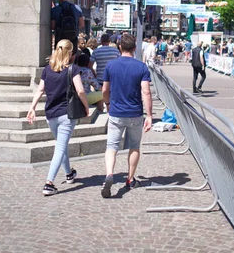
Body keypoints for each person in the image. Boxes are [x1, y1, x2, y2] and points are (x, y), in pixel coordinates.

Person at [27, 39, 89, 196]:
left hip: (51, 114)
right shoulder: (72, 70)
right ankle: (49, 183)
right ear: (70, 53)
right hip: (67, 114)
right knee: (60, 147)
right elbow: (81, 91)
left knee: (62, 145)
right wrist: (86, 107)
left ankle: (69, 173)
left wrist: (32, 107)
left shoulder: (48, 69)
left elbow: (40, 90)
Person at [101, 34, 152, 198]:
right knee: (134, 146)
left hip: (116, 112)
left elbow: (104, 90)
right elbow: (146, 92)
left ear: (119, 47)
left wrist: (107, 104)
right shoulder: (142, 67)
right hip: (135, 113)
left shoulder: (111, 66)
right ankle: (130, 179)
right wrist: (149, 115)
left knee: (111, 146)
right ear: (135, 48)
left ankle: (109, 174)